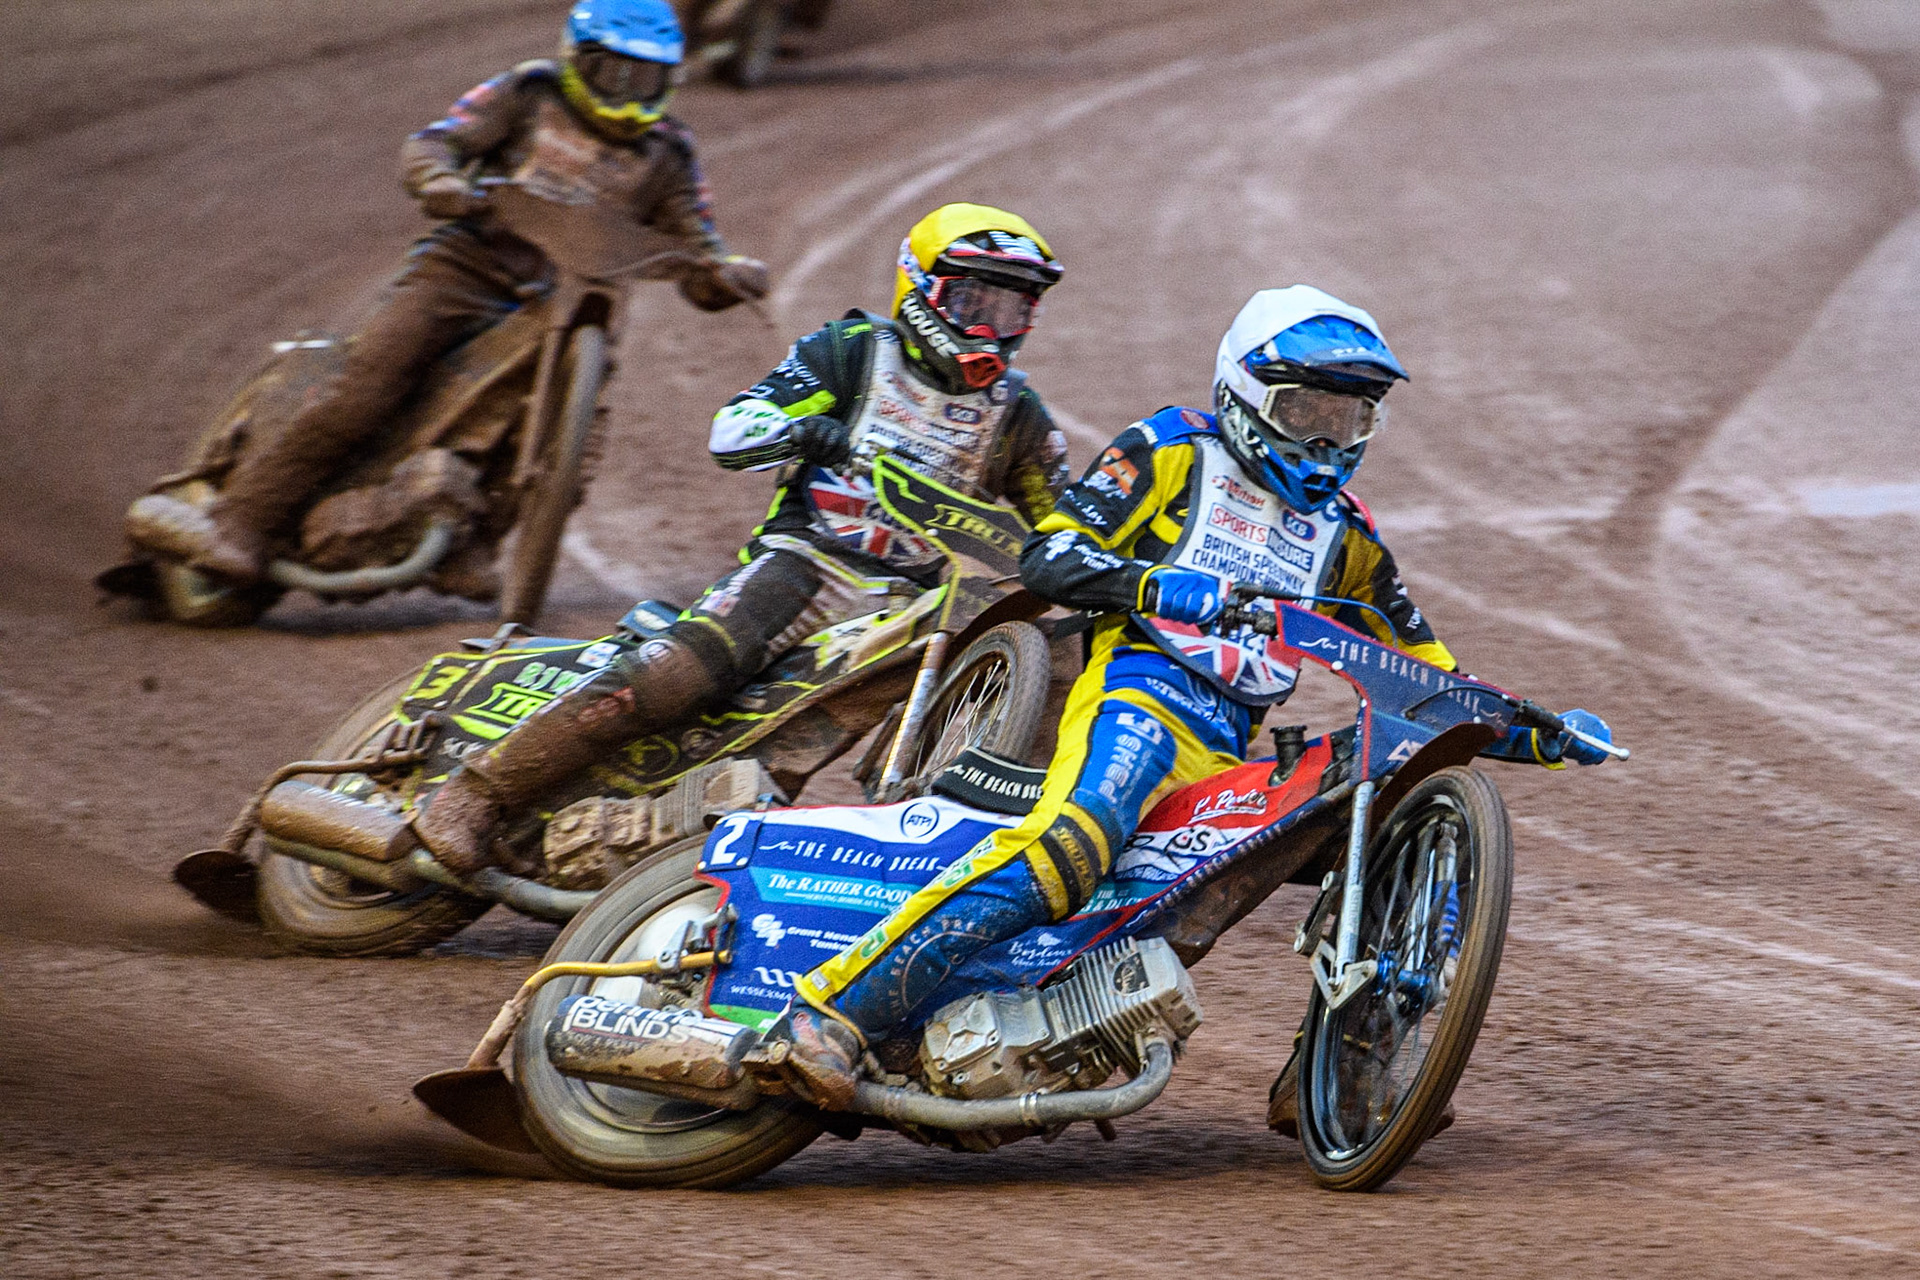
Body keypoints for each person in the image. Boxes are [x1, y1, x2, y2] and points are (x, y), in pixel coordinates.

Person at [773, 284, 1614, 1109]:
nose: (1329, 440)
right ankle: (829, 1019)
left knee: (1392, 825)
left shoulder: (1349, 536)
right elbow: (1051, 559)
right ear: (1247, 395)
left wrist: (1533, 730)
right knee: (1074, 845)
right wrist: (1158, 586)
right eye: (1308, 412)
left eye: (1351, 418)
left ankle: (1344, 1073)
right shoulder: (1171, 450)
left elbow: (1427, 675)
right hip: (1137, 697)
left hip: (1229, 747)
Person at [409, 202, 1070, 873]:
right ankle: (473, 796)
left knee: (794, 753)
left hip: (914, 607)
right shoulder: (853, 354)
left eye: (1013, 309)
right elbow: (734, 427)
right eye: (974, 299)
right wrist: (796, 430)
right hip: (810, 565)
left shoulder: (1018, 417)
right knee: (683, 672)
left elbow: (1066, 521)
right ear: (923, 289)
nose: (992, 325)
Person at [188, 0, 769, 584]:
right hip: (464, 267)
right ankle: (246, 521)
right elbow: (437, 141)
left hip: (572, 296)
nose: (629, 93)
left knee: (575, 429)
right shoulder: (527, 91)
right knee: (370, 378)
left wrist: (727, 273)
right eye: (614, 74)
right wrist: (439, 179)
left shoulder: (670, 153)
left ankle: (477, 542)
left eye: (648, 78)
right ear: (577, 61)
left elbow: (697, 246)